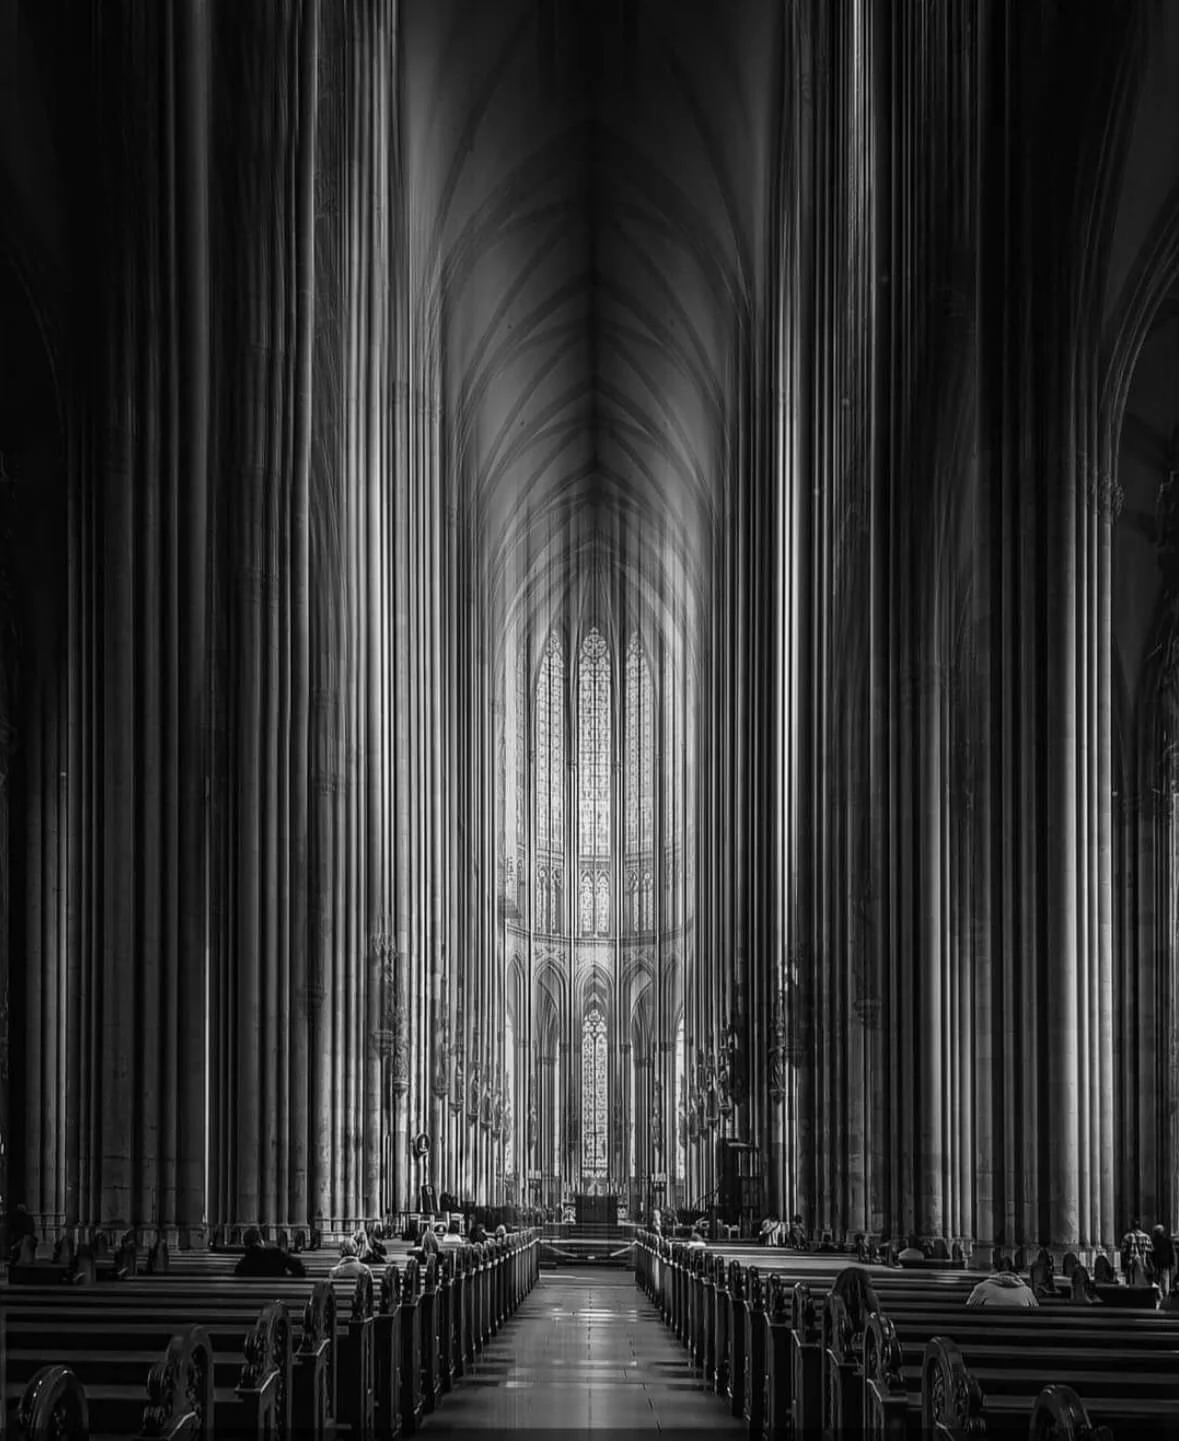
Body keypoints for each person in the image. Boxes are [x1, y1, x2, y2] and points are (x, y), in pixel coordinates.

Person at [235, 1226, 307, 1278]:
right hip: (280, 1294)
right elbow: (300, 1270)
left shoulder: (242, 1265)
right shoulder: (276, 1254)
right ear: (261, 1241)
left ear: (245, 1244)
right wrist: (287, 1278)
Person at [966, 1263, 1039, 1308]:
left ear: (996, 1271)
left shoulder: (982, 1288)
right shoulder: (1026, 1291)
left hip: (988, 1331)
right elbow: (1035, 1309)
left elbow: (969, 1308)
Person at [1152, 1225, 1175, 1299]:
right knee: (1165, 1282)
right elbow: (1171, 1253)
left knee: (1156, 1282)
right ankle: (1165, 1297)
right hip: (1165, 1264)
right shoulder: (1167, 1241)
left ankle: (1159, 1297)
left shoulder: (1153, 1241)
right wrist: (1172, 1262)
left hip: (1156, 1264)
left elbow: (1152, 1253)